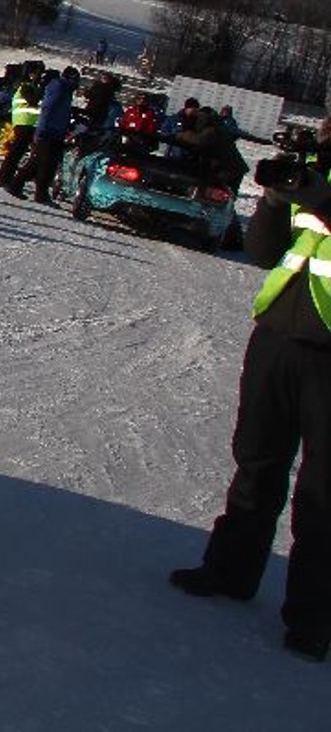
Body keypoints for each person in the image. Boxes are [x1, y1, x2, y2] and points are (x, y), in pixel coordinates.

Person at [171, 115, 331, 662]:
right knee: (256, 462)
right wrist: (275, 199)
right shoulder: (313, 176)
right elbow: (264, 253)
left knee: (323, 491)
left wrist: (322, 200)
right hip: (278, 340)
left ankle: (312, 618)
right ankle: (230, 571)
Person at [10, 66, 79, 204]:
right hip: (49, 131)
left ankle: (18, 186)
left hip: (55, 130)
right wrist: (41, 129)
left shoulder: (64, 89)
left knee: (38, 162)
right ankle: (38, 193)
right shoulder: (59, 88)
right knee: (46, 164)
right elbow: (48, 108)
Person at [0, 73, 44, 190]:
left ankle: (5, 178)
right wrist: (41, 93)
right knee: (15, 153)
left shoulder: (27, 87)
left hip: (26, 123)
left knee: (17, 153)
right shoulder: (26, 86)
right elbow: (33, 100)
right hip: (24, 123)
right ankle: (4, 178)